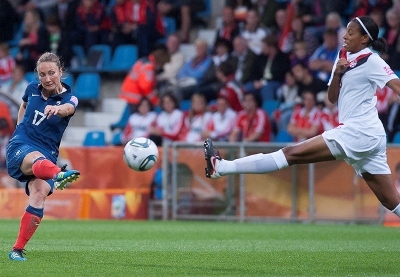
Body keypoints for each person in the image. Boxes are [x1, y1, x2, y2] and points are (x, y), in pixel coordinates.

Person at [203, 16, 400, 220]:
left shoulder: (372, 60)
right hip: (365, 135)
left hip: (360, 131)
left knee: (290, 154)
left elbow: (397, 86)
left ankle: (222, 166)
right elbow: (332, 98)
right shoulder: (342, 57)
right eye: (346, 31)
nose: (344, 35)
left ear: (364, 40)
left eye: (351, 32)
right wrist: (339, 73)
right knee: (391, 201)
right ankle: (221, 167)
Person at [6, 52, 80, 261]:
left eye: (51, 73)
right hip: (21, 146)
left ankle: (17, 250)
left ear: (60, 72)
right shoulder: (32, 89)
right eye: (42, 74)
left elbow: (68, 109)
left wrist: (57, 109)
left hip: (47, 154)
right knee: (37, 158)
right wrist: (19, 129)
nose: (47, 79)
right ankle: (58, 174)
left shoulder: (69, 98)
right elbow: (23, 105)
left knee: (38, 194)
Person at [119, 46, 170, 114]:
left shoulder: (142, 61)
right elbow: (145, 87)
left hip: (128, 93)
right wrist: (156, 101)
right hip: (135, 97)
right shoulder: (149, 67)